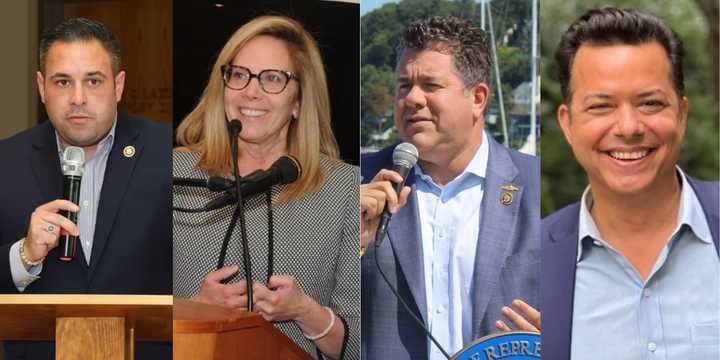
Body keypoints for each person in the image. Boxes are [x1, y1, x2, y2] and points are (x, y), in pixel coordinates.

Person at [172, 16, 360, 360]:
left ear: (299, 101)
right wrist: (195, 307)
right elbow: (137, 313)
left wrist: (305, 311)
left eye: (273, 78)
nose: (251, 91)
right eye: (239, 75)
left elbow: (365, 343)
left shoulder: (344, 189)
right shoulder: (172, 174)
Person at [542, 7, 719, 359]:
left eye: (650, 103)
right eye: (601, 106)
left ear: (681, 115)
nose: (628, 127)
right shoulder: (530, 264)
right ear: (568, 123)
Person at [360, 16, 541, 359]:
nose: (412, 98)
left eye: (430, 85)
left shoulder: (538, 184)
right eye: (403, 85)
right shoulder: (357, 183)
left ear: (478, 98)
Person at [0, 18, 171, 359]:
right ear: (41, 86)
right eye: (63, 82)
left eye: (93, 81)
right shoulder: (6, 161)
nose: (78, 98)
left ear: (118, 86)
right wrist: (24, 255)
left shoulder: (170, 153)